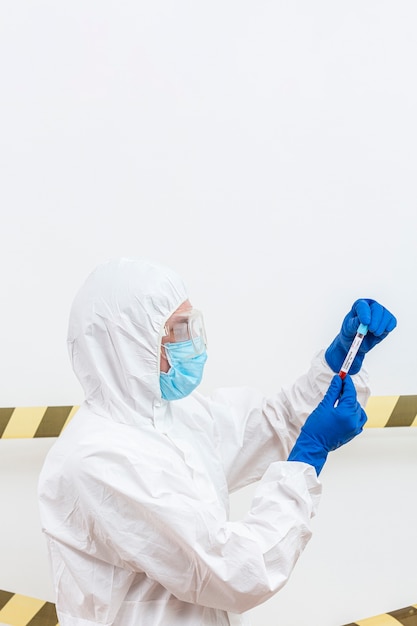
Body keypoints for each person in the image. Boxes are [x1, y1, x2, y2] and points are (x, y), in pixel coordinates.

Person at [38, 258, 396, 626]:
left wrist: (340, 360)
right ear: (129, 345)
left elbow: (272, 425)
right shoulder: (96, 461)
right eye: (178, 331)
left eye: (193, 325)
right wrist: (309, 454)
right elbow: (233, 574)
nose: (193, 344)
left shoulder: (175, 418)